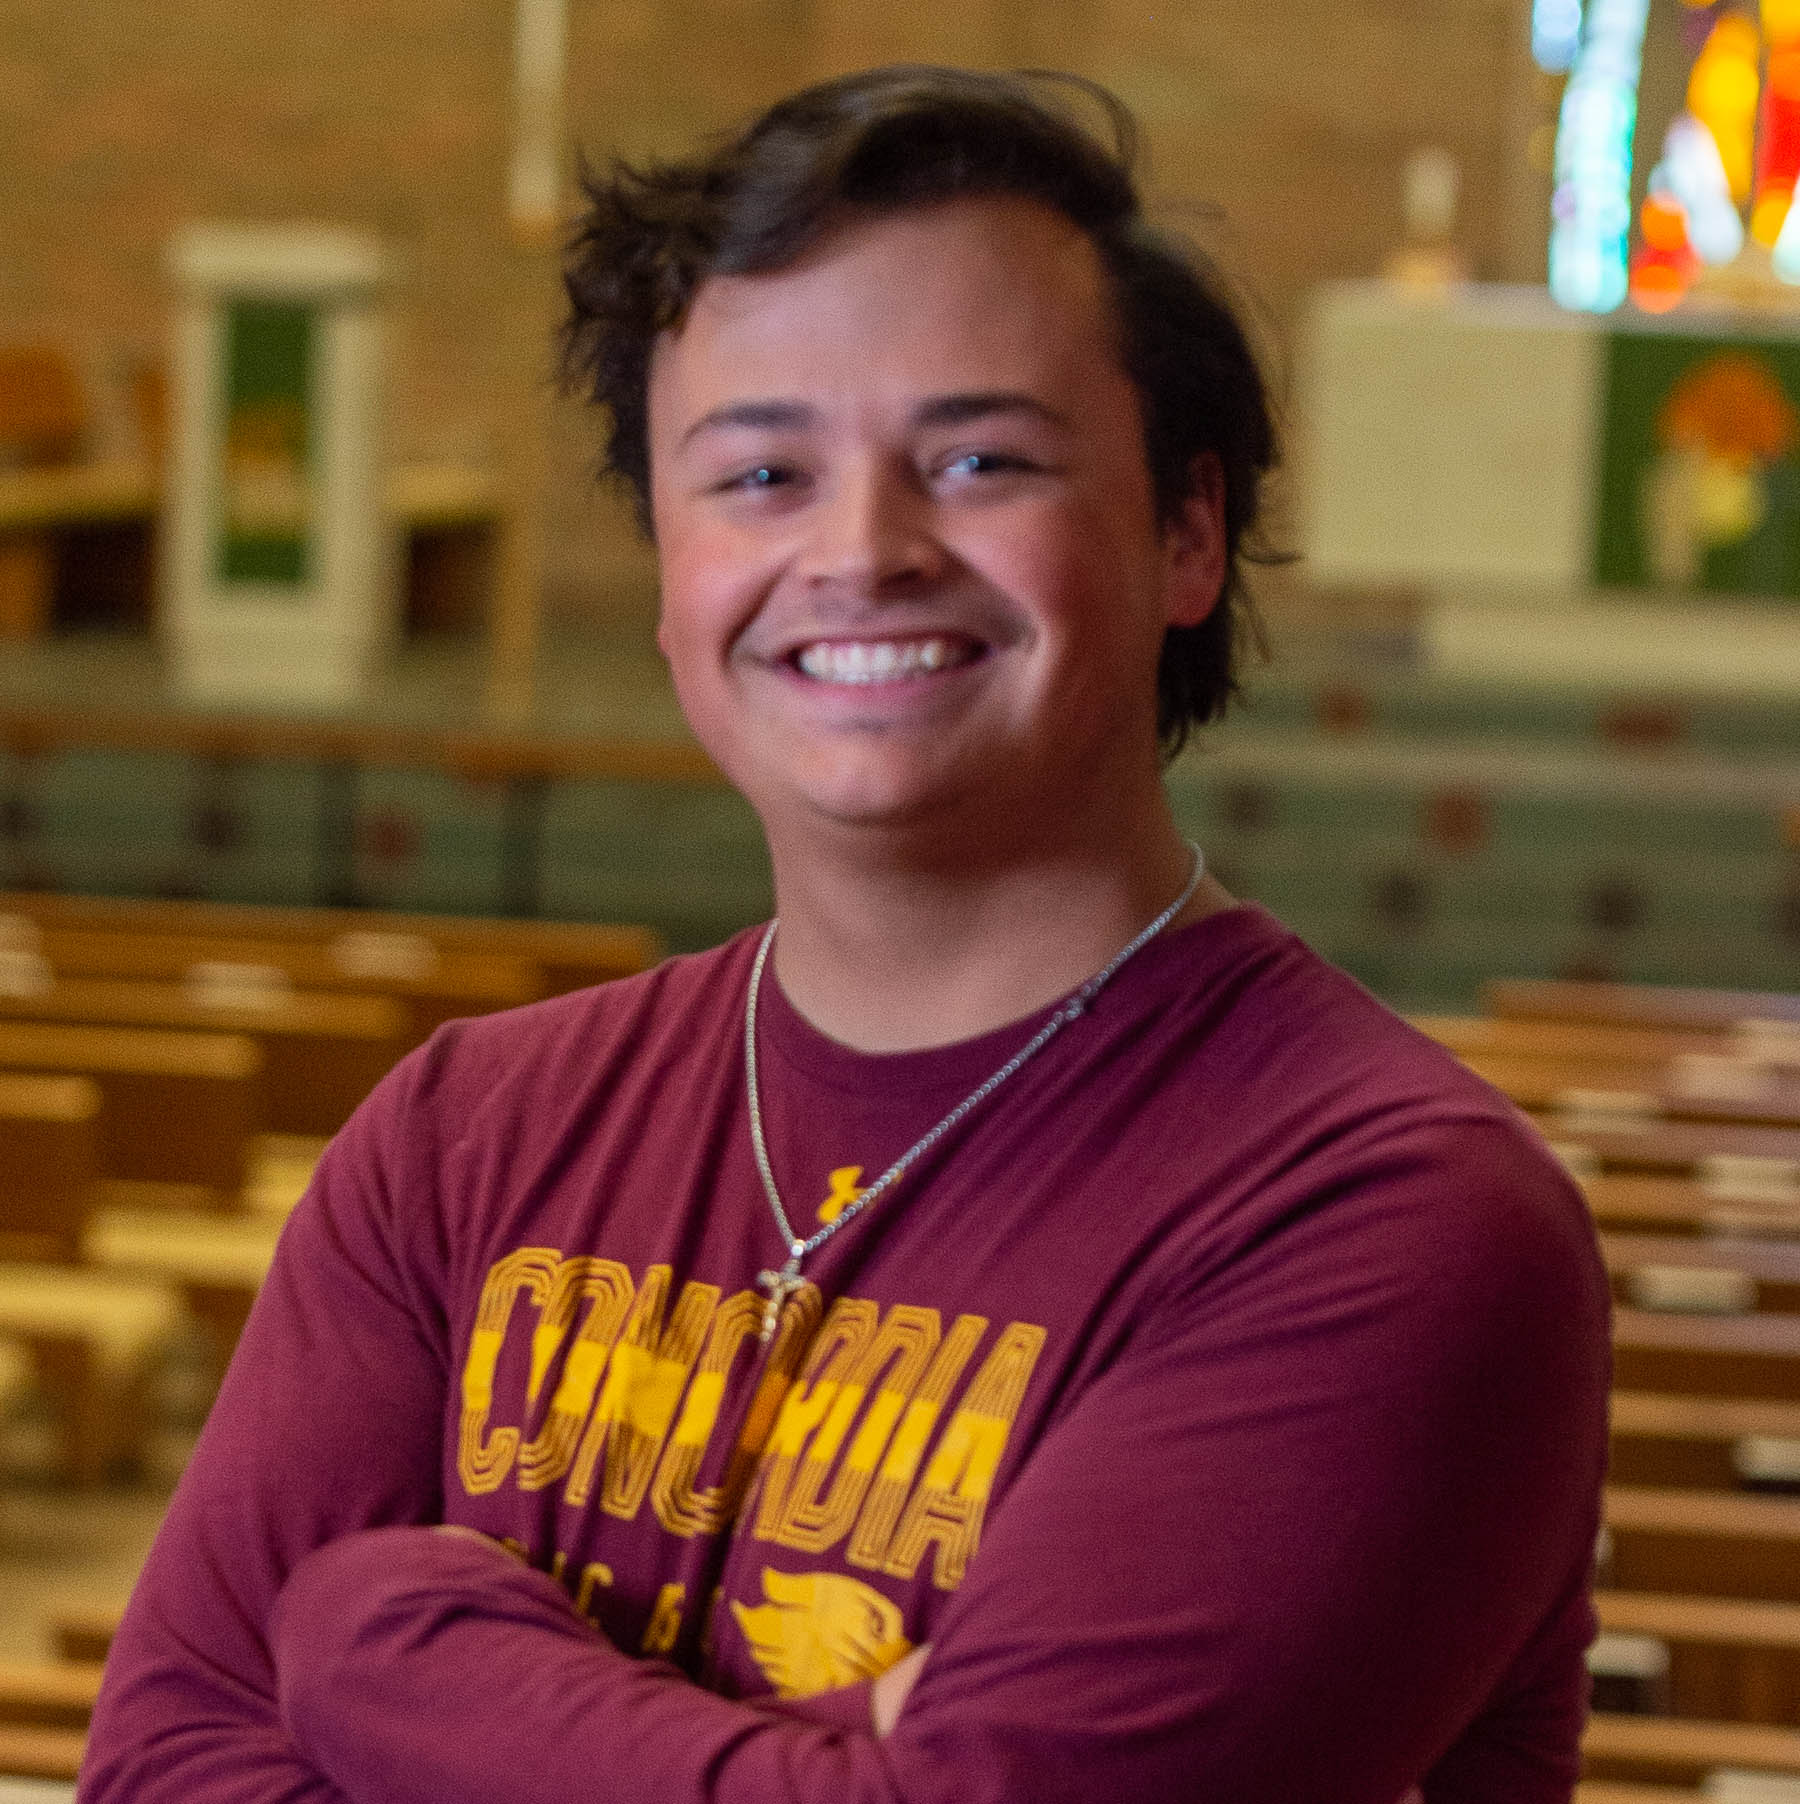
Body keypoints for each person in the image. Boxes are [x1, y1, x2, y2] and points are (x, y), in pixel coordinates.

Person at [80, 66, 1610, 1804]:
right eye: (760, 473)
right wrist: (843, 1751)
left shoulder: (1385, 1216)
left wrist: (383, 1640)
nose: (863, 552)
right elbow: (170, 1767)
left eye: (979, 460)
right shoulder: (462, 1139)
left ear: (1188, 533)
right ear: (666, 564)